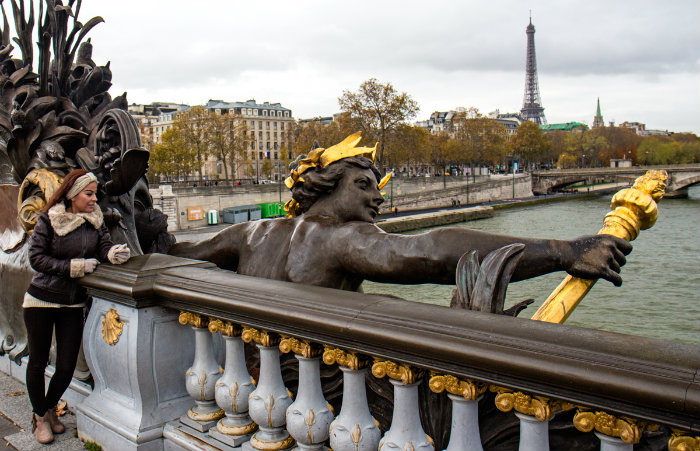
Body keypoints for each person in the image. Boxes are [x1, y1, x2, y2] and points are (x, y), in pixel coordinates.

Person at [170, 133, 631, 292]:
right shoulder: (337, 237)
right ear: (327, 185)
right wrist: (562, 251)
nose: (378, 198)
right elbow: (429, 253)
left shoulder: (253, 232)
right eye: (365, 184)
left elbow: (180, 251)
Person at [24, 169, 131, 444]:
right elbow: (36, 258)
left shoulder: (94, 220)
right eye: (89, 193)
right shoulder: (49, 219)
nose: (95, 199)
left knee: (67, 366)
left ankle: (47, 408)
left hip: (72, 302)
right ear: (73, 195)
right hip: (41, 299)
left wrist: (112, 253)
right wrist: (73, 267)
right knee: (37, 362)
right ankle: (40, 417)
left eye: (95, 193)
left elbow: (102, 245)